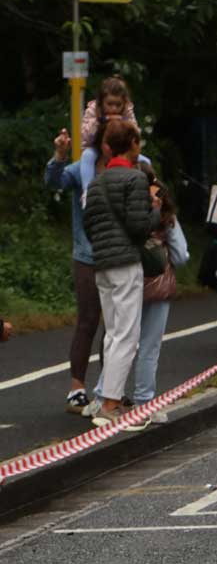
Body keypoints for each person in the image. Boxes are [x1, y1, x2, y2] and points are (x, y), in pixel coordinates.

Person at [84, 176, 190, 426]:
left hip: (124, 279)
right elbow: (181, 255)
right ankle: (144, 404)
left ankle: (101, 396)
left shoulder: (122, 216)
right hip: (157, 288)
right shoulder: (167, 220)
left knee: (117, 338)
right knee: (147, 347)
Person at [81, 121, 160, 426]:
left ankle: (106, 399)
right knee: (127, 336)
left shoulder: (96, 183)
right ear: (133, 144)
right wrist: (154, 209)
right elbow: (139, 226)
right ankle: (111, 404)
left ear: (108, 147)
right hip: (126, 262)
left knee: (113, 333)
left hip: (102, 263)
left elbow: (89, 224)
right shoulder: (135, 178)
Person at [46, 126, 104, 412]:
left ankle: (109, 389)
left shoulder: (131, 164)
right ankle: (77, 389)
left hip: (121, 256)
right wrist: (59, 155)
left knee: (117, 327)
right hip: (88, 255)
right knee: (88, 320)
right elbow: (54, 181)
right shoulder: (83, 167)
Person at [79, 75, 135, 188]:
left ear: (124, 103)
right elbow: (85, 137)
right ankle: (87, 190)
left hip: (121, 149)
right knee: (87, 156)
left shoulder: (127, 111)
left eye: (118, 105)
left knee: (145, 160)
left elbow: (135, 134)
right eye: (109, 104)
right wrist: (100, 121)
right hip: (96, 148)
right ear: (101, 102)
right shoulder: (92, 110)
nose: (114, 109)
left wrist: (124, 123)